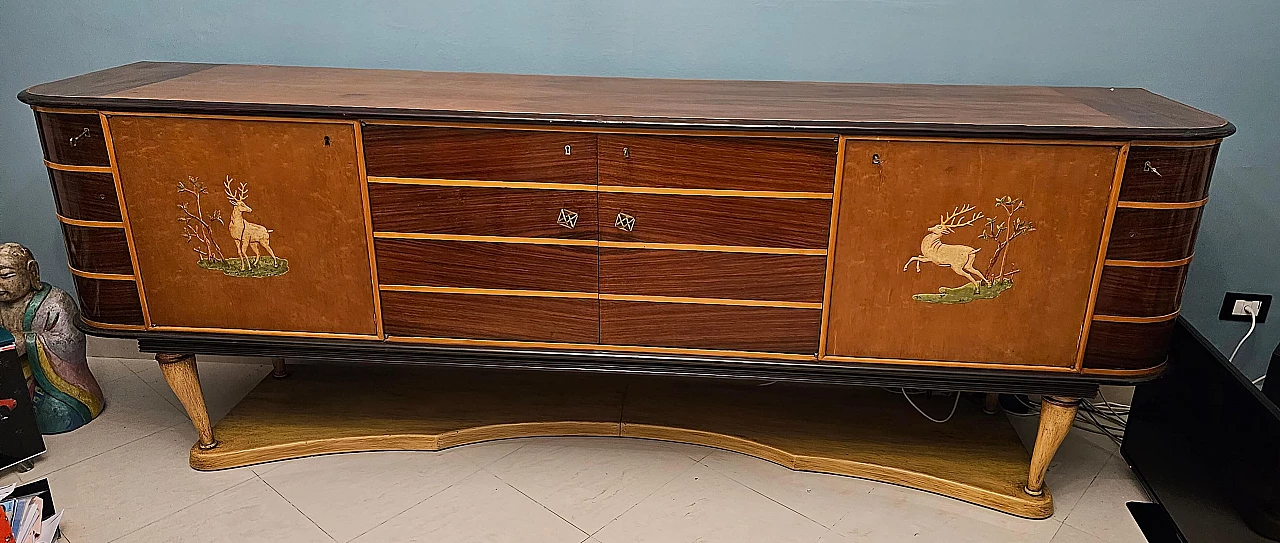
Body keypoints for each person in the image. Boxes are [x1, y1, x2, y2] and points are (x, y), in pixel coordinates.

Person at [0, 243, 103, 433]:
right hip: (9, 372)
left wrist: (28, 342)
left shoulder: (55, 303)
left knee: (57, 414)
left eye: (6, 276)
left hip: (50, 382)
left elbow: (69, 344)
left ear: (32, 271)